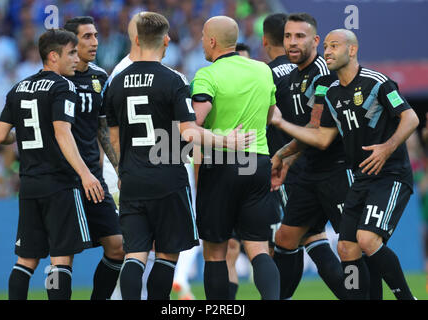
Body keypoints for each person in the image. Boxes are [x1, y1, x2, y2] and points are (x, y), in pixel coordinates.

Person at [105, 12, 253, 300]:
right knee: (166, 255)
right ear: (167, 40)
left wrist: (124, 170)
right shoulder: (174, 80)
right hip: (167, 179)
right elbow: (188, 133)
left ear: (136, 39)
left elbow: (113, 138)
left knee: (134, 254)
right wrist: (227, 140)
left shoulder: (117, 81)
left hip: (132, 179)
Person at [272, 28, 419, 300]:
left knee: (366, 239)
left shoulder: (377, 82)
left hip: (390, 175)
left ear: (352, 50)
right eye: (326, 46)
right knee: (346, 249)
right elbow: (322, 136)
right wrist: (283, 154)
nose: (327, 51)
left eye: (334, 46)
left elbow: (410, 119)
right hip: (360, 178)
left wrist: (386, 149)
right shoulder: (332, 93)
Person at [0, 29, 104, 300]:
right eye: (71, 53)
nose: (76, 58)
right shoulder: (62, 86)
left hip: (29, 185)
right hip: (59, 184)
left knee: (26, 261)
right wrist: (86, 173)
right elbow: (63, 133)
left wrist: (29, 133)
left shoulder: (18, 88)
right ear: (53, 57)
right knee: (60, 261)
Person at [192, 15, 280, 300]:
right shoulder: (262, 70)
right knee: (258, 246)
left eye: (204, 37)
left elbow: (195, 121)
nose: (202, 42)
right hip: (257, 162)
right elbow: (270, 115)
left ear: (213, 41)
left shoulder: (207, 75)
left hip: (221, 163)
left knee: (216, 250)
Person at [269, 13, 353, 300]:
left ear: (316, 41)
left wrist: (282, 153)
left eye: (300, 37)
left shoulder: (324, 71)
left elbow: (317, 128)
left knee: (354, 245)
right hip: (308, 171)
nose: (292, 43)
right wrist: (287, 159)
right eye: (288, 37)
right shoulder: (293, 77)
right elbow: (307, 132)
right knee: (287, 238)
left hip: (337, 169)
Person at [63, 16, 125, 300]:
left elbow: (103, 129)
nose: (95, 42)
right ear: (71, 42)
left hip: (93, 179)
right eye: (87, 36)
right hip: (62, 181)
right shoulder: (58, 79)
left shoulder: (101, 77)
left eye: (96, 35)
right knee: (63, 256)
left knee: (118, 247)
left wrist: (119, 168)